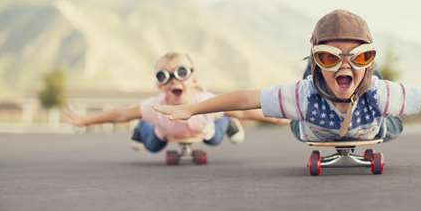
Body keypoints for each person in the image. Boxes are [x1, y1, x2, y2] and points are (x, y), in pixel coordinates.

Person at [153, 10, 421, 143]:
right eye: (329, 56)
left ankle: (362, 72)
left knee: (391, 116)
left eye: (359, 57)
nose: (345, 65)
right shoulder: (301, 96)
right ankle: (320, 68)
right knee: (297, 108)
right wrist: (192, 110)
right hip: (311, 125)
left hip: (372, 125)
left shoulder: (381, 95)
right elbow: (245, 98)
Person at [64, 52, 284, 153]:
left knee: (215, 138)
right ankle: (142, 129)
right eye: (164, 76)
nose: (173, 81)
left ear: (194, 80)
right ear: (160, 85)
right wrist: (85, 121)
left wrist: (277, 118)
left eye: (181, 72)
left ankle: (226, 123)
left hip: (203, 130)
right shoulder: (155, 107)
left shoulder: (205, 101)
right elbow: (121, 114)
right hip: (165, 133)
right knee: (151, 146)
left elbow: (244, 112)